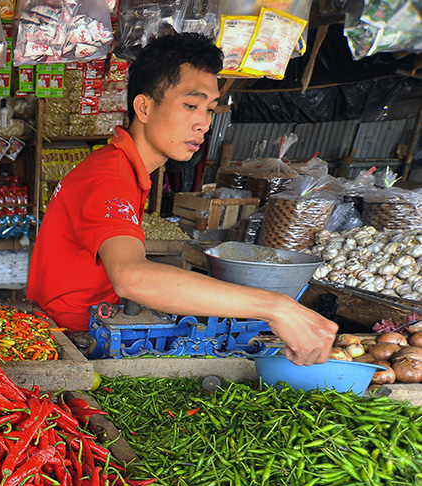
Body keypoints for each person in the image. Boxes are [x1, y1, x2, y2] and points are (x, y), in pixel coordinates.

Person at [27, 33, 337, 366]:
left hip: (78, 333)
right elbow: (131, 277)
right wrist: (277, 307)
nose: (204, 123)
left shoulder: (122, 167)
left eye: (209, 109)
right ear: (144, 107)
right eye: (190, 105)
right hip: (67, 347)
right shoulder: (110, 178)